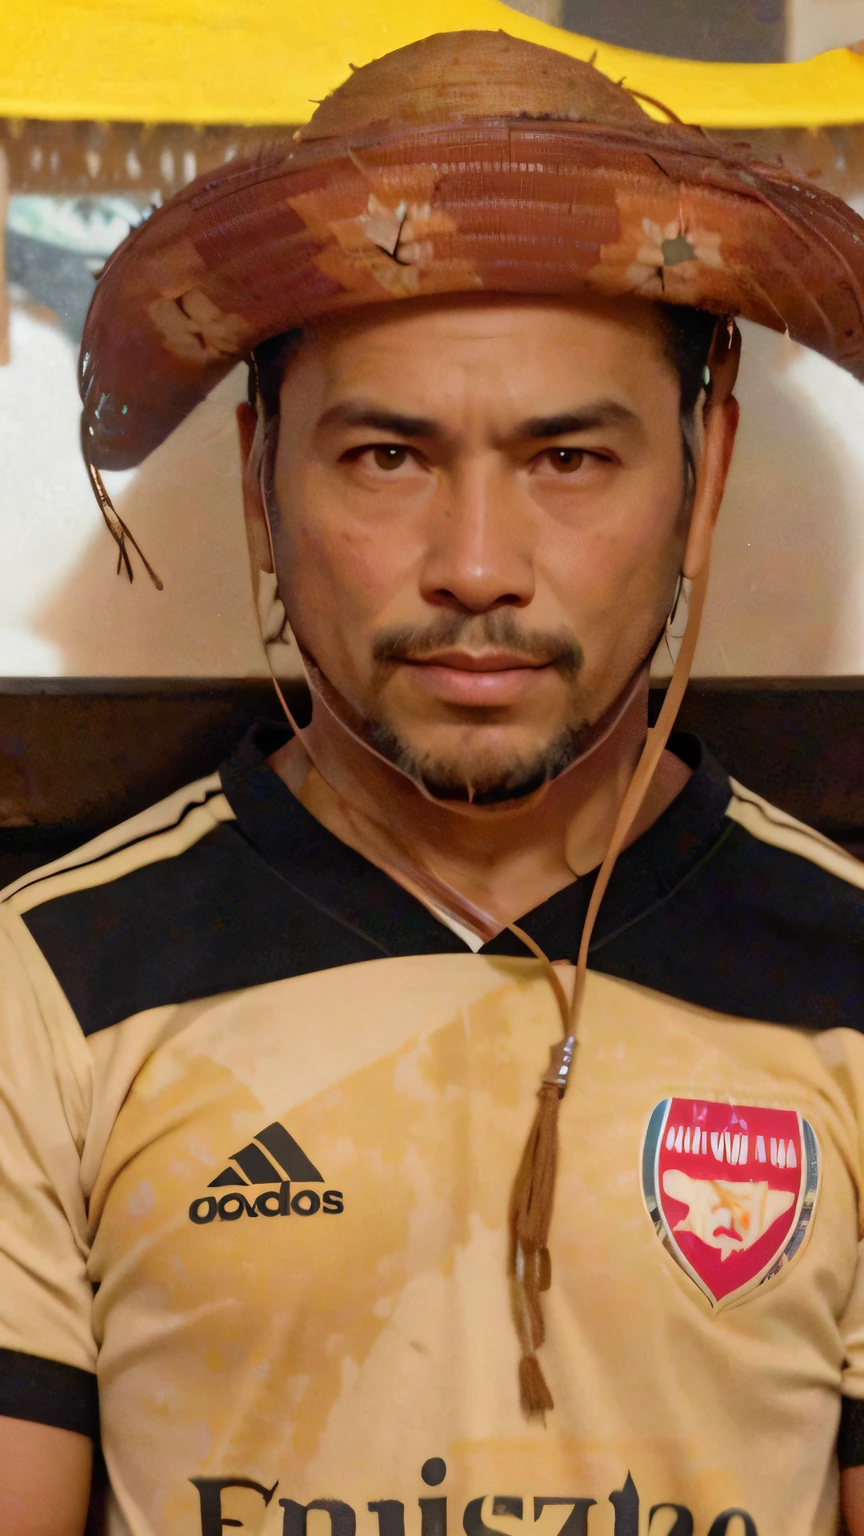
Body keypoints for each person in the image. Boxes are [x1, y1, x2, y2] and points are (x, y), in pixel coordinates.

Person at [1, 28, 864, 1536]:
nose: (477, 568)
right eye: (388, 457)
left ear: (704, 469)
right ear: (263, 473)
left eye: (570, 460)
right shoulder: (47, 989)